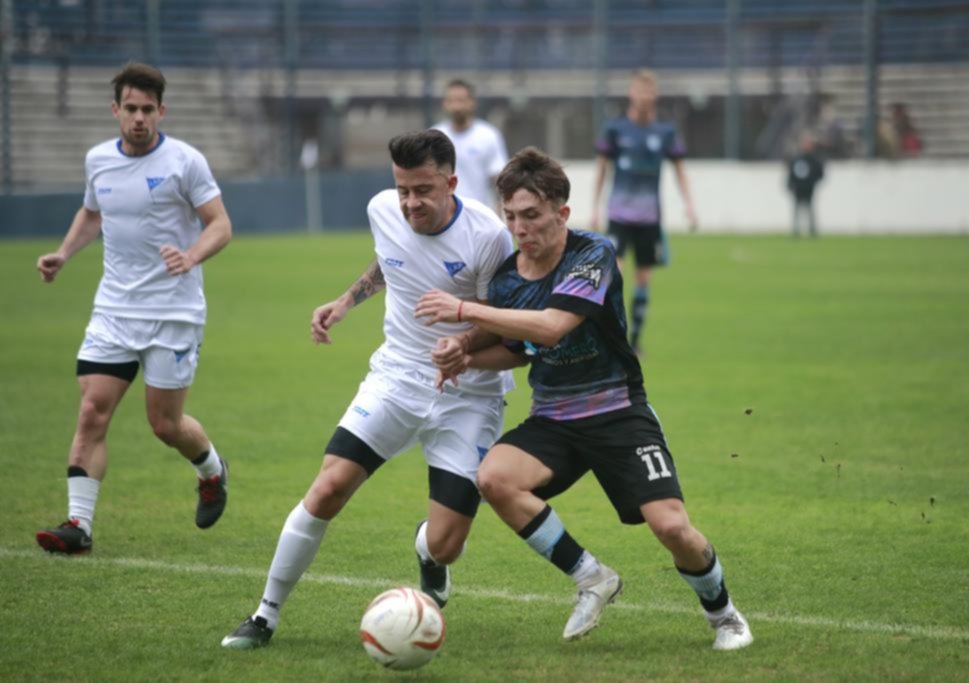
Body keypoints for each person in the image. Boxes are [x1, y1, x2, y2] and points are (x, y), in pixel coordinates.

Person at [416, 147, 753, 651]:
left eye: (531, 215)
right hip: (553, 420)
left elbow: (551, 327)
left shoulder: (593, 253)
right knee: (495, 478)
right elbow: (520, 349)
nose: (520, 228)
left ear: (562, 213)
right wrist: (464, 355)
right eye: (510, 217)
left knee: (672, 528)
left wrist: (464, 312)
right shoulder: (508, 278)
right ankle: (591, 577)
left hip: (619, 413)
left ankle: (724, 615)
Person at [221, 130, 514, 650]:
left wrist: (463, 345)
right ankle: (265, 615)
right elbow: (391, 262)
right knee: (328, 488)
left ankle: (427, 554)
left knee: (447, 545)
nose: (410, 202)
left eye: (423, 190)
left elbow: (504, 321)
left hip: (469, 394)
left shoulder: (489, 236)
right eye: (402, 189)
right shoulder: (382, 209)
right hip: (397, 377)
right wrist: (344, 301)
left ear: (452, 182)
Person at [34, 62, 233, 555]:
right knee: (92, 412)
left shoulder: (185, 161)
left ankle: (211, 470)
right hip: (114, 312)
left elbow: (220, 225)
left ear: (161, 111)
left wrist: (189, 257)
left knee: (165, 425)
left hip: (174, 315)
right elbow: (93, 212)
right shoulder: (99, 160)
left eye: (148, 109)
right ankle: (78, 525)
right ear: (116, 110)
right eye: (131, 109)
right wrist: (64, 252)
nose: (139, 118)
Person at [590, 69, 697, 354]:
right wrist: (594, 207)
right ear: (631, 93)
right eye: (639, 90)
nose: (644, 96)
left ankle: (635, 340)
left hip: (650, 217)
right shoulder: (615, 129)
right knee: (616, 275)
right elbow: (602, 168)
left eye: (649, 91)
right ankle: (615, 335)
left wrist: (689, 204)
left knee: (643, 279)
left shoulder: (665, 132)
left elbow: (680, 170)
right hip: (619, 215)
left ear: (655, 95)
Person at [433, 78, 509, 212]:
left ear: (472, 103)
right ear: (444, 104)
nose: (457, 107)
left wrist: (499, 215)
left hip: (480, 215)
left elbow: (498, 181)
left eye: (461, 100)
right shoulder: (434, 136)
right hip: (444, 217)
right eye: (452, 101)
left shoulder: (488, 135)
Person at [786, 132, 825, 238]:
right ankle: (796, 231)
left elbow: (820, 173)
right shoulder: (797, 158)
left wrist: (813, 182)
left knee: (810, 210)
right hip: (798, 189)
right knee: (796, 211)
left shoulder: (814, 159)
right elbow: (791, 173)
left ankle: (812, 230)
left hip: (809, 189)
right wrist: (789, 184)